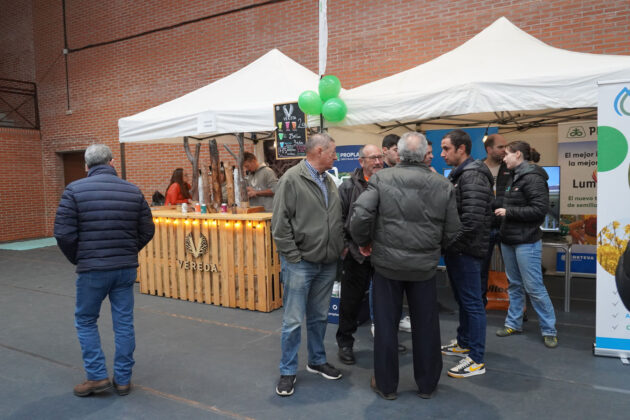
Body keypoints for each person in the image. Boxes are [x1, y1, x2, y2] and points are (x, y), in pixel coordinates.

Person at [350, 132, 460, 400]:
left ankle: (387, 386)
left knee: (386, 326)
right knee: (427, 326)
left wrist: (364, 243)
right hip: (423, 268)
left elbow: (360, 216)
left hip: (387, 267)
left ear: (398, 154)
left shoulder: (380, 178)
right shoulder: (442, 184)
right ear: (424, 155)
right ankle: (427, 385)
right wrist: (435, 249)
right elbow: (454, 230)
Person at [54, 144, 155, 397]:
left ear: (86, 166)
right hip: (125, 270)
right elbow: (147, 230)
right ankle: (123, 380)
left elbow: (63, 233)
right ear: (111, 163)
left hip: (92, 270)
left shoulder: (73, 190)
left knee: (86, 320)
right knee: (124, 323)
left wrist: (79, 257)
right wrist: (128, 251)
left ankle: (97, 377)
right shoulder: (133, 190)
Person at [272, 133, 344, 397]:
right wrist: (293, 257)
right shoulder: (291, 179)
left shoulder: (329, 180)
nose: (335, 157)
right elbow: (279, 225)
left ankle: (316, 360)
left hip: (327, 262)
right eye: (332, 152)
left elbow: (334, 218)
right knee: (292, 321)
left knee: (319, 316)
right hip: (300, 263)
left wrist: (338, 246)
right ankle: (287, 371)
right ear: (318, 150)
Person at [440, 129, 493, 378]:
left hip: (467, 251)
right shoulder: (462, 174)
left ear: (462, 149)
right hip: (460, 250)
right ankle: (464, 342)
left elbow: (470, 222)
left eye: (446, 149)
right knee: (464, 300)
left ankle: (476, 359)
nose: (442, 154)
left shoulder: (472, 176)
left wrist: (451, 244)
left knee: (472, 303)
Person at [494, 141, 558, 348]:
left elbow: (539, 210)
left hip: (526, 241)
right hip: (509, 239)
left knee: (534, 287)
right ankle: (513, 323)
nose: (503, 158)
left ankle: (549, 329)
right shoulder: (513, 176)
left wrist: (509, 212)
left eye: (507, 155)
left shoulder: (533, 178)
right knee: (514, 284)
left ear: (518, 155)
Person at [336, 144, 384, 365]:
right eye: (372, 158)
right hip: (355, 256)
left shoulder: (388, 184)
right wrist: (347, 248)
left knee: (385, 302)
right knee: (350, 303)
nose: (377, 162)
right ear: (361, 161)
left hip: (383, 255)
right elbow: (338, 221)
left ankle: (386, 341)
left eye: (379, 157)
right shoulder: (347, 188)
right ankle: (345, 343)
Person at [481, 133, 511, 306]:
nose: (504, 150)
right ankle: (480, 304)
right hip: (485, 226)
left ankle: (517, 310)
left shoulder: (510, 167)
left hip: (506, 225)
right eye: (500, 147)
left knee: (512, 270)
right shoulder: (477, 168)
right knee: (481, 269)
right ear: (488, 149)